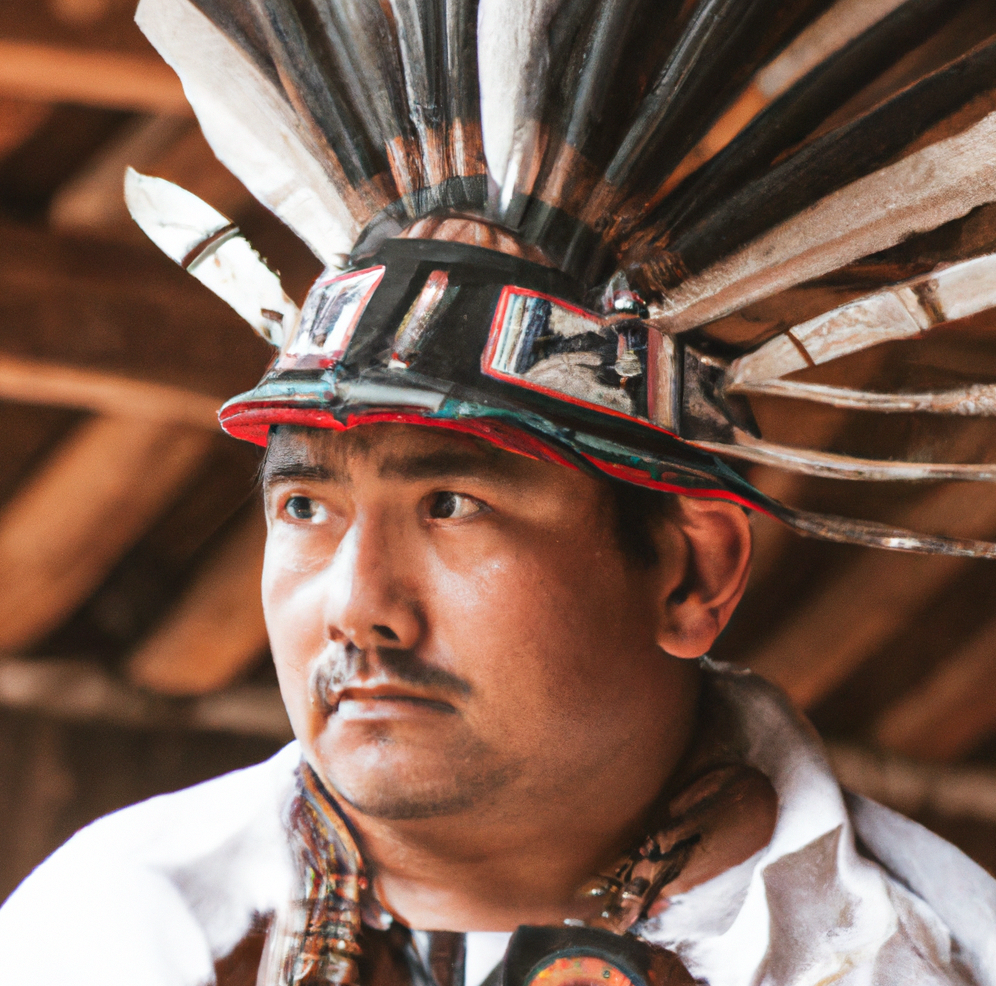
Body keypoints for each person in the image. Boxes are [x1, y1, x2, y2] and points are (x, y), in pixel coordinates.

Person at [4, 0, 996, 983]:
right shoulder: (100, 934)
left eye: (451, 504)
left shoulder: (929, 956)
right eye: (306, 506)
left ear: (689, 572)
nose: (357, 606)